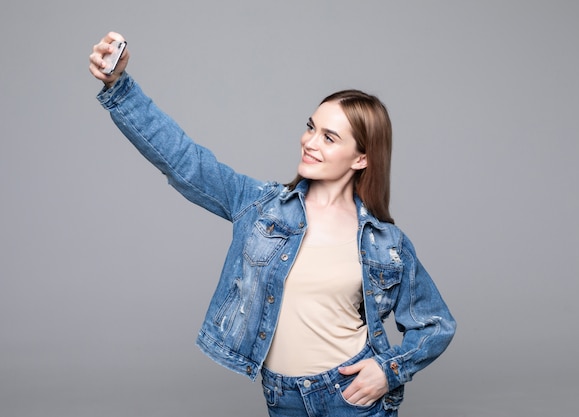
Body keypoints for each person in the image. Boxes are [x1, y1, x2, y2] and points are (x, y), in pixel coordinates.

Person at [89, 31, 456, 417]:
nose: (310, 142)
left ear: (360, 159)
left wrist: (388, 371)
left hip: (351, 397)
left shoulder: (386, 243)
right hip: (283, 398)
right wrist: (120, 88)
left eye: (329, 138)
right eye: (311, 127)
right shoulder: (260, 206)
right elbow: (185, 161)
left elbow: (436, 323)